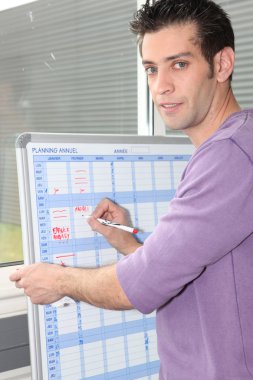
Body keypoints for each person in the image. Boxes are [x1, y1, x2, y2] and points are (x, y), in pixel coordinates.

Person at [10, 0, 253, 378]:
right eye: (152, 69)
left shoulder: (230, 157)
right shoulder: (235, 144)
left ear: (221, 65)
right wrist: (128, 244)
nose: (162, 87)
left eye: (180, 64)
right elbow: (198, 267)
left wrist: (57, 280)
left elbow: (135, 288)